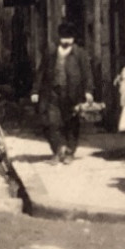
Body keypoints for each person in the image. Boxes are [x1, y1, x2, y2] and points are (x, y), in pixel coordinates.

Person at [32, 21, 95, 164]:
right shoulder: (51, 52)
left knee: (71, 124)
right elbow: (41, 72)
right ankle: (57, 150)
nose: (66, 40)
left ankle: (69, 153)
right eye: (64, 37)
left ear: (73, 38)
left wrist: (88, 91)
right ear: (59, 37)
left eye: (69, 37)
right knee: (51, 122)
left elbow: (87, 74)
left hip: (73, 94)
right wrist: (35, 90)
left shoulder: (80, 53)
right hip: (52, 92)